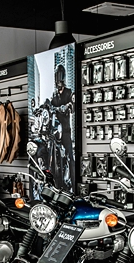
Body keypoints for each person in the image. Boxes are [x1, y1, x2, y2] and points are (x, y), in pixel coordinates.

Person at [50, 64, 75, 192]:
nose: (58, 79)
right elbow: (49, 105)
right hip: (55, 131)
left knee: (70, 157)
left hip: (65, 130)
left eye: (59, 76)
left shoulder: (69, 92)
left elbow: (73, 105)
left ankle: (74, 185)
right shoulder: (54, 94)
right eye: (56, 76)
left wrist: (68, 106)